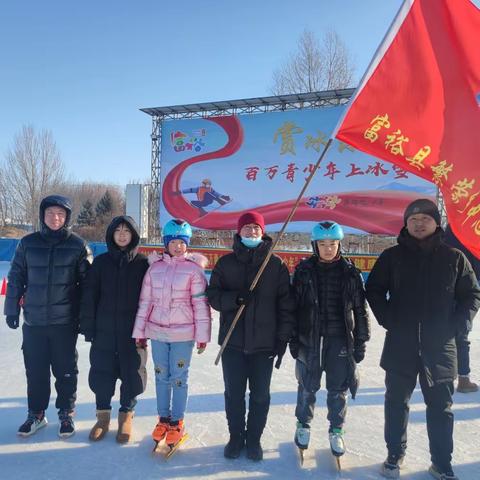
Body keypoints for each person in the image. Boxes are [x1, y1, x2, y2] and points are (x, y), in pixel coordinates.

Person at [365, 199, 480, 480]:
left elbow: (471, 295)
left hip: (440, 348)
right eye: (413, 219)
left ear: (436, 223)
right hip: (400, 346)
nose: (419, 223)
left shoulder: (453, 257)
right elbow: (374, 290)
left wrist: (457, 326)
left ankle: (442, 463)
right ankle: (394, 455)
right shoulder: (392, 257)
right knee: (395, 403)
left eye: (425, 219)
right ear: (405, 223)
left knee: (441, 408)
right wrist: (389, 320)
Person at [207, 211, 295, 461]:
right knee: (234, 395)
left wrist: (282, 339)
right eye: (247, 229)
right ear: (239, 232)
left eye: (256, 229)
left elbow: (286, 305)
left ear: (263, 232)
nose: (252, 232)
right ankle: (236, 438)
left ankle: (254, 439)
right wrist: (235, 298)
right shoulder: (226, 264)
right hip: (232, 344)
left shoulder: (275, 265)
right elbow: (213, 296)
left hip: (263, 345)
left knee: (259, 396)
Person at [4, 195, 91, 438]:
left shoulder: (77, 245)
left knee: (65, 370)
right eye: (51, 213)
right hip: (34, 322)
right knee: (36, 370)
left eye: (61, 214)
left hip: (65, 322)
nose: (55, 218)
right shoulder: (27, 243)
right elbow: (16, 277)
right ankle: (37, 414)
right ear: (43, 215)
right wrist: (11, 309)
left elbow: (87, 286)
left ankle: (66, 413)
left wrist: (85, 318)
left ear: (67, 218)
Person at [290, 221, 370, 458]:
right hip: (310, 339)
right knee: (307, 386)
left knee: (338, 389)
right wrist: (293, 339)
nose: (328, 249)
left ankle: (336, 429)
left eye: (333, 244)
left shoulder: (350, 272)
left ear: (339, 244)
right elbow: (293, 307)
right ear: (315, 245)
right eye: (323, 244)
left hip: (339, 340)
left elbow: (360, 309)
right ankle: (303, 425)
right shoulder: (304, 272)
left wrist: (361, 340)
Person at [132, 218, 211, 450]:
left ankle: (177, 421)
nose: (177, 246)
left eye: (182, 242)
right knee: (160, 376)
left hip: (183, 335)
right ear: (165, 243)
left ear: (188, 244)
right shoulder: (154, 269)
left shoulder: (193, 270)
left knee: (178, 377)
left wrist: (202, 335)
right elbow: (145, 303)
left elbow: (200, 305)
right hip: (157, 333)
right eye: (173, 241)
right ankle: (163, 420)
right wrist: (140, 332)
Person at [80, 216, 149, 443]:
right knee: (102, 373)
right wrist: (88, 327)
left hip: (133, 332)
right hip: (104, 331)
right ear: (111, 234)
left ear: (133, 235)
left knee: (132, 373)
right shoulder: (100, 263)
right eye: (117, 230)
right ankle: (102, 418)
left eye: (126, 231)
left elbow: (151, 299)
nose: (121, 234)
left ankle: (126, 417)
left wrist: (147, 329)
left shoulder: (143, 264)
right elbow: (89, 296)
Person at [444, 224, 480, 393]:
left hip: (448, 285)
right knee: (461, 332)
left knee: (451, 332)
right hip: (464, 286)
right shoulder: (468, 225)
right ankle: (462, 378)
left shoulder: (454, 224)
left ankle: (448, 375)